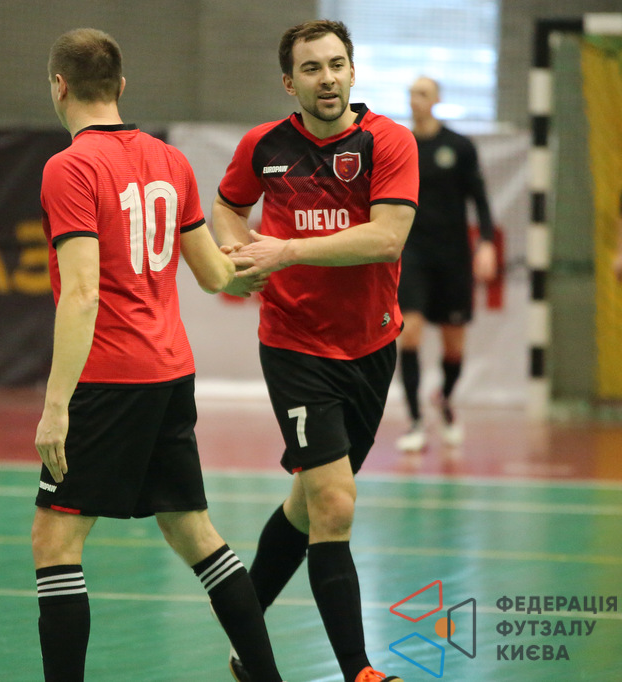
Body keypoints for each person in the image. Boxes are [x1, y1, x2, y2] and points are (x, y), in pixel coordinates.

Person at [31, 28, 283, 682]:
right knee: (192, 531)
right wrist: (260, 264)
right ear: (120, 85)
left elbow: (81, 293)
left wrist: (56, 406)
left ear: (59, 85)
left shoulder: (69, 167)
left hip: (107, 378)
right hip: (170, 372)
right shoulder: (170, 160)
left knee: (56, 541)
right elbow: (215, 275)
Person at [212, 20, 417, 682]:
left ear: (352, 72)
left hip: (371, 345)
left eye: (335, 65)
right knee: (333, 503)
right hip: (295, 345)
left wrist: (288, 250)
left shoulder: (388, 141)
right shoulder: (264, 145)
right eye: (311, 68)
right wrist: (237, 253)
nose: (326, 78)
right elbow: (226, 206)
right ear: (289, 82)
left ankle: (245, 638)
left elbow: (387, 238)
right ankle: (360, 671)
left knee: (307, 502)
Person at [394, 76, 498, 453]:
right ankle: (415, 421)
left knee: (453, 348)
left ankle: (445, 399)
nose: (415, 100)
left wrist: (486, 243)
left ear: (437, 99)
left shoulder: (459, 146)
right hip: (412, 253)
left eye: (422, 94)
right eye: (411, 93)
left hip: (453, 256)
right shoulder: (399, 146)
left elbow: (480, 199)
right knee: (409, 333)